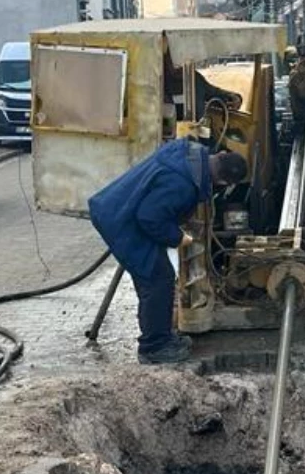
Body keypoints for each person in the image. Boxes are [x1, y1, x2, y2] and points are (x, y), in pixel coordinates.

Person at [89, 140, 249, 364]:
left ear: (221, 154)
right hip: (121, 221)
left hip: (119, 208)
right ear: (222, 182)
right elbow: (149, 217)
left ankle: (161, 337)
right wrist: (177, 237)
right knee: (157, 279)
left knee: (154, 276)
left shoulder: (189, 153)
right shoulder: (183, 185)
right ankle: (153, 348)